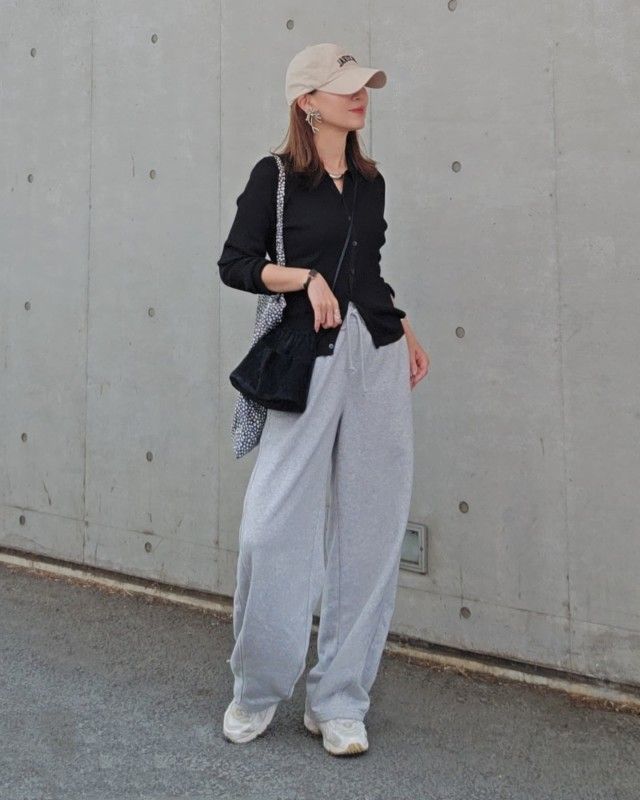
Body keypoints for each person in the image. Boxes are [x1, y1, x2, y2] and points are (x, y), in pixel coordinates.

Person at [217, 43, 430, 756]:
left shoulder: (370, 181)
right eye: (345, 87)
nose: (360, 95)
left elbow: (368, 268)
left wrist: (405, 329)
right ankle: (256, 689)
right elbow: (235, 264)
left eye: (363, 86)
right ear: (307, 101)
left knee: (370, 532)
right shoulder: (274, 176)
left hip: (377, 352)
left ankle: (339, 700)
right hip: (308, 359)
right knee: (271, 527)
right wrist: (303, 278)